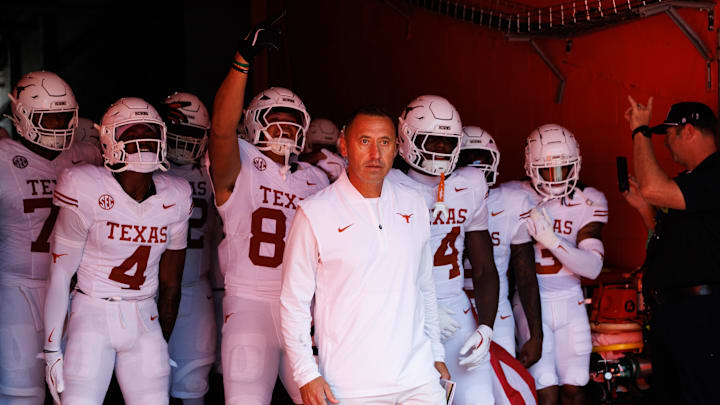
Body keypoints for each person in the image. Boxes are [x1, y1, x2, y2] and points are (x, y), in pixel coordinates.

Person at [281, 106, 449, 405]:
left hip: (418, 380)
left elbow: (424, 287)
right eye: (364, 141)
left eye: (384, 142)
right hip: (350, 386)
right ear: (344, 145)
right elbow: (294, 301)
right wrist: (306, 374)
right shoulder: (315, 213)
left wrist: (435, 354)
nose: (375, 154)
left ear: (396, 148)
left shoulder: (415, 204)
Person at [207, 22, 329, 404]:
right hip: (250, 304)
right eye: (276, 117)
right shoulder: (239, 163)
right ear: (254, 120)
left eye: (293, 120)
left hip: (303, 306)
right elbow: (222, 131)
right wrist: (242, 62)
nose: (285, 126)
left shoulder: (317, 178)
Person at [42, 97, 192, 404]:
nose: (144, 140)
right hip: (92, 313)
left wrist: (160, 342)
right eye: (133, 132)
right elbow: (60, 274)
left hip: (145, 316)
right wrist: (51, 349)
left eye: (149, 131)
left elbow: (171, 285)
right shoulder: (85, 185)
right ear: (110, 139)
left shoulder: (176, 195)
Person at [384, 96, 498, 405]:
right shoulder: (386, 184)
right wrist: (419, 310)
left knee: (480, 400)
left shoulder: (470, 184)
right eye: (432, 141)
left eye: (448, 143)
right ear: (406, 138)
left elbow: (485, 268)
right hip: (407, 312)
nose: (441, 151)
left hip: (456, 308)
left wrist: (486, 326)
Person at [0, 70, 99, 404]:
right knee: (21, 395)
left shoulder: (84, 154)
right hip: (17, 291)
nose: (59, 127)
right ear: (23, 117)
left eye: (64, 117)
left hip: (73, 291)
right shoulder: (4, 159)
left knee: (77, 393)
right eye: (49, 119)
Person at [625, 98, 720, 405]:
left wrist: (640, 130)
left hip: (703, 312)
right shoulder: (688, 182)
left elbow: (654, 188)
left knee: (700, 394)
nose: (665, 143)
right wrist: (643, 209)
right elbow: (664, 236)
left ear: (688, 131)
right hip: (675, 312)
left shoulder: (716, 173)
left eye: (668, 134)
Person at [509, 124, 607, 405]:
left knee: (575, 384)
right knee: (544, 387)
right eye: (548, 171)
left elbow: (592, 268)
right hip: (531, 302)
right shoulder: (515, 196)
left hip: (570, 300)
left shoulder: (588, 200)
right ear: (530, 167)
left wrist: (552, 241)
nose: (557, 179)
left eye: (564, 169)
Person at [457, 126, 542, 365]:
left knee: (502, 388)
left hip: (498, 311)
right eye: (468, 161)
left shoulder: (512, 201)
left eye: (482, 160)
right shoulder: (442, 199)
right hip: (454, 307)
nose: (477, 169)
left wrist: (536, 336)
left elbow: (525, 276)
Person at [159, 91, 217, 404]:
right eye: (176, 132)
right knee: (146, 384)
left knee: (193, 383)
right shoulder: (142, 170)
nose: (182, 140)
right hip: (147, 290)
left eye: (191, 133)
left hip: (195, 287)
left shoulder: (214, 172)